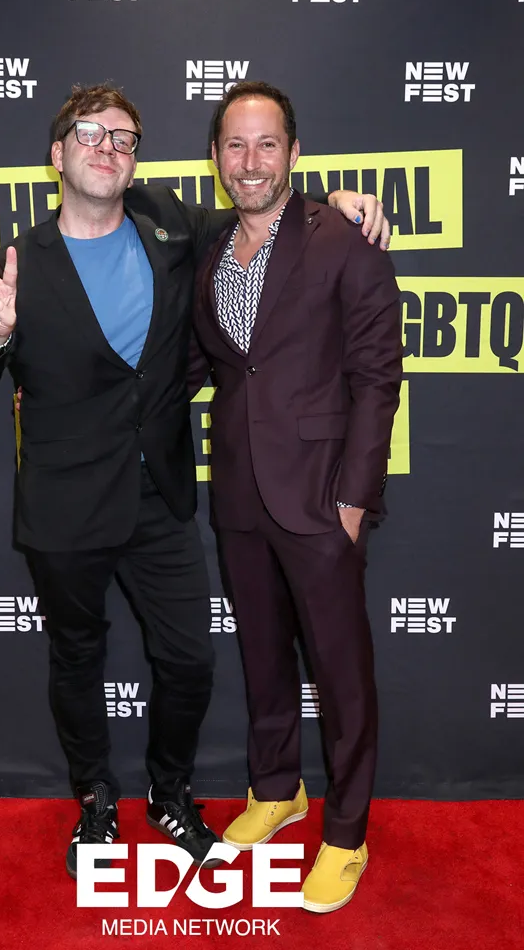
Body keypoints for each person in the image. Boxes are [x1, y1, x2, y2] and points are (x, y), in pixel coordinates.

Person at [0, 82, 391, 880]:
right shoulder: (15, 266)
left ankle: (172, 792)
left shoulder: (170, 225)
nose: (107, 148)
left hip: (164, 499)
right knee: (78, 660)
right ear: (57, 155)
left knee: (191, 662)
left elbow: (263, 204)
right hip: (65, 506)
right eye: (89, 135)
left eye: (123, 138)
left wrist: (334, 200)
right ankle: (94, 799)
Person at [190, 81, 403, 913]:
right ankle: (277, 789)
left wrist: (352, 500)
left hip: (320, 497)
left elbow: (377, 379)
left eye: (266, 143)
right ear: (216, 158)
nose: (250, 161)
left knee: (341, 672)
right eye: (235, 145)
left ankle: (346, 833)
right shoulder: (208, 249)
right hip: (239, 492)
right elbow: (211, 365)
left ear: (295, 153)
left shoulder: (342, 238)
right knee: (262, 654)